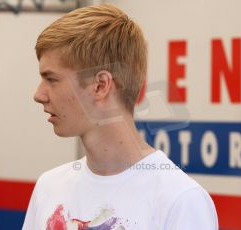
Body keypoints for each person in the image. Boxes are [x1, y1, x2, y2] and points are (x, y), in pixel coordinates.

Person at [22, 4, 218, 230]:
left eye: (52, 79)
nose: (39, 95)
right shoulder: (49, 187)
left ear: (101, 85)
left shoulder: (180, 201)